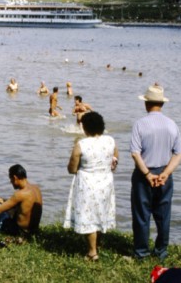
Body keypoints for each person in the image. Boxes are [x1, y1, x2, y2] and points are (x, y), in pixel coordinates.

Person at [130, 85, 181, 260]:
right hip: (164, 174)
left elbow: (135, 153)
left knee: (141, 215)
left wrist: (147, 174)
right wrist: (166, 173)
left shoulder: (140, 124)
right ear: (162, 103)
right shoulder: (172, 124)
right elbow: (179, 153)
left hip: (143, 174)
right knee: (163, 214)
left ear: (146, 103)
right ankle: (161, 251)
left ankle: (141, 252)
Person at [64, 112, 118, 261]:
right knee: (101, 212)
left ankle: (92, 252)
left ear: (85, 127)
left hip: (87, 183)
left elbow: (72, 169)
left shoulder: (82, 144)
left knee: (89, 215)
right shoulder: (110, 141)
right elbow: (115, 159)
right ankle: (97, 245)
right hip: (106, 181)